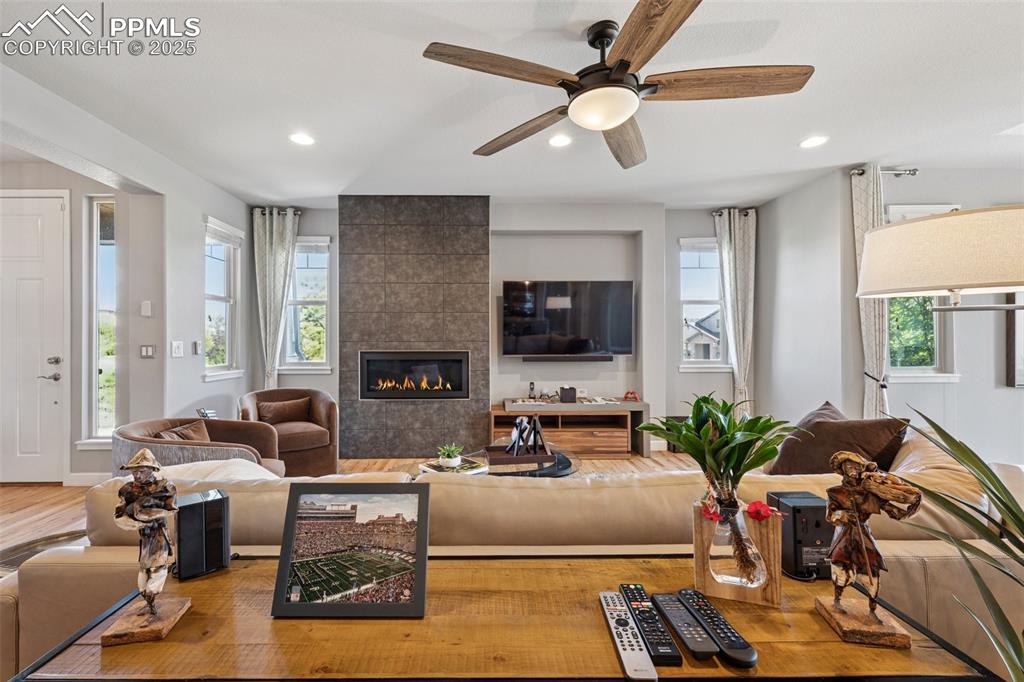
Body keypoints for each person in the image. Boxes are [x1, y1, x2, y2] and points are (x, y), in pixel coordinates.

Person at [825, 451, 921, 619]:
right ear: (842, 469)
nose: (852, 469)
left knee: (872, 568)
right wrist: (843, 515)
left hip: (863, 533)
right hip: (845, 534)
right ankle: (838, 598)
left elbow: (894, 511)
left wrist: (912, 508)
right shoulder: (835, 492)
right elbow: (830, 515)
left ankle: (872, 605)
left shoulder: (871, 492)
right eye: (848, 466)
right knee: (840, 566)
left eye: (855, 466)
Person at [114, 448, 178, 615]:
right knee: (144, 568)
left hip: (159, 534)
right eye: (134, 472)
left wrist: (150, 515)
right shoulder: (127, 490)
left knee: (158, 565)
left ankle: (151, 593)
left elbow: (171, 509)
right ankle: (147, 597)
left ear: (152, 470)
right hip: (144, 536)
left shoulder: (165, 487)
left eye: (141, 471)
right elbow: (119, 515)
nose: (137, 476)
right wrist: (135, 523)